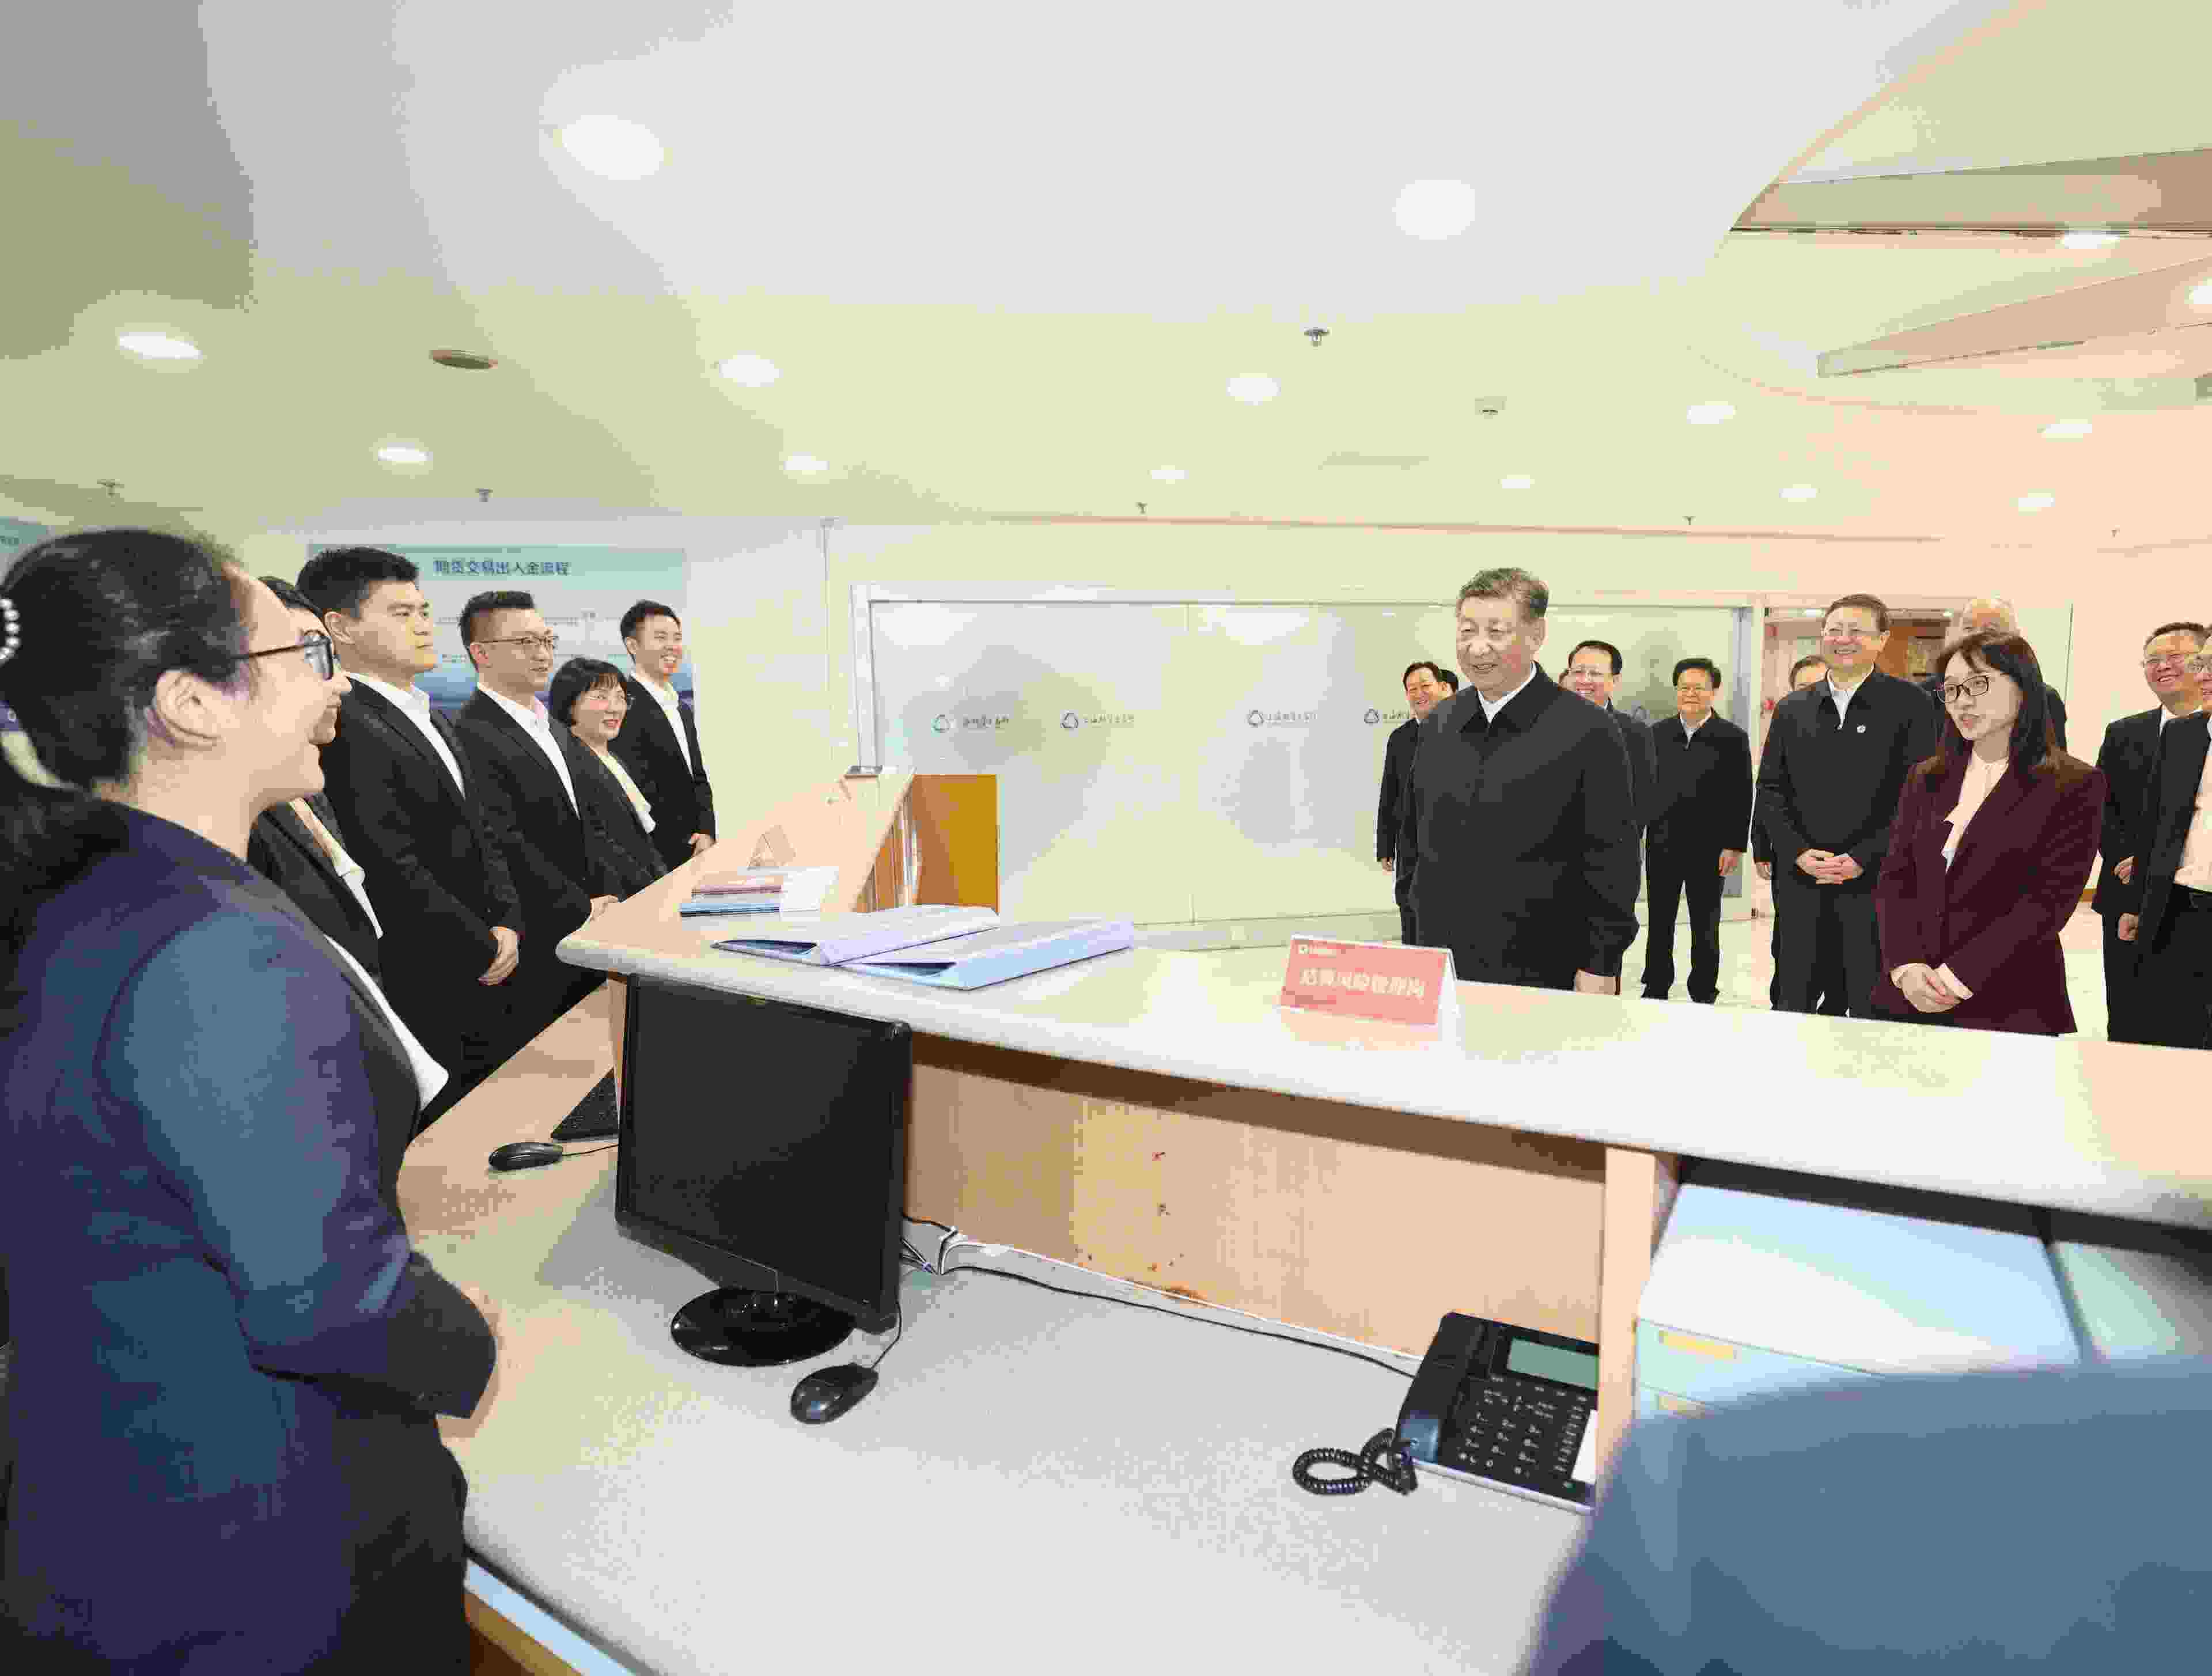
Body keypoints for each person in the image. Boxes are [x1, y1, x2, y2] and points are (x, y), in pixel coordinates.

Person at [0, 529, 495, 1670]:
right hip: (261, 1559)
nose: (333, 681)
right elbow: (327, 1302)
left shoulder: (78, 898)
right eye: (306, 653)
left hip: (110, 1513)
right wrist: (469, 1338)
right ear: (192, 703)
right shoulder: (219, 947)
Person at [298, 546, 524, 1131]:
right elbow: (389, 861)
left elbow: (483, 829)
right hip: (424, 974)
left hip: (485, 957)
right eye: (401, 613)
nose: (424, 624)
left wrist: (507, 920)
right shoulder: (345, 724)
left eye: (423, 611)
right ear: (340, 627)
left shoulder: (429, 713)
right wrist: (479, 942)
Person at [1402, 567, 1639, 992]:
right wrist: (1415, 931)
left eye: (1496, 632)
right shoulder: (1441, 722)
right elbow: (1417, 836)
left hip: (1543, 963)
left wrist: (1601, 962)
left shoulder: (1587, 729)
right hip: (1441, 957)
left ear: (1536, 635)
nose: (1477, 647)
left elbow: (1611, 858)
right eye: (1467, 631)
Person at [1868, 631, 2104, 1035]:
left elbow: (2046, 902)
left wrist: (1956, 977)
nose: (1962, 701)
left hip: (2008, 996)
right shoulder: (1927, 777)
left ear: (2024, 688)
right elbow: (1896, 878)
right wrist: (1906, 966)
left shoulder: (2074, 783)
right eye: (1952, 689)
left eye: (1978, 684)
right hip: (1911, 990)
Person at [1756, 595, 1941, 1018]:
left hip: (1875, 882)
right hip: (1801, 882)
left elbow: (1919, 797)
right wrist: (1798, 852)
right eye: (1834, 630)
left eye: (1856, 631)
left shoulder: (1911, 705)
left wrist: (1864, 856)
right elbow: (1770, 789)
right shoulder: (1793, 708)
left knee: (1869, 1000)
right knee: (1794, 997)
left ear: (1882, 639)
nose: (1843, 639)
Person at [452, 591, 620, 1049]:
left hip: (594, 924)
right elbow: (505, 841)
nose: (543, 653)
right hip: (542, 936)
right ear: (481, 653)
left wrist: (605, 899)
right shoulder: (471, 733)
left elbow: (589, 822)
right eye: (525, 642)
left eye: (546, 640)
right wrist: (580, 907)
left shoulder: (553, 728)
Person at [245, 577, 385, 981]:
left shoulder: (306, 787)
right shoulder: (233, 819)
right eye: (311, 655)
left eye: (331, 658)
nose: (342, 682)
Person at [2093, 622, 2206, 1044]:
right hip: (2123, 891)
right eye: (2153, 660)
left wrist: (2151, 861)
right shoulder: (2124, 732)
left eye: (2176, 657)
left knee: (2186, 1019)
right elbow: (2101, 808)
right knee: (2127, 1011)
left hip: (2188, 896)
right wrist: (2129, 860)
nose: (2163, 666)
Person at [1641, 657, 1752, 1005]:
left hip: (1710, 848)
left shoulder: (1733, 738)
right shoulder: (1656, 734)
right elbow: (1644, 788)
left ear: (1713, 692)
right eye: (1684, 688)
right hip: (1663, 842)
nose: (1690, 694)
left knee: (1706, 922)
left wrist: (1734, 845)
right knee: (1660, 919)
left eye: (1699, 688)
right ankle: (1656, 983)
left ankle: (1704, 988)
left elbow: (1741, 794)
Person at [550, 655, 669, 897]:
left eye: (620, 697)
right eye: (601, 697)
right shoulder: (570, 763)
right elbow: (603, 846)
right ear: (570, 704)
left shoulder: (613, 759)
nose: (615, 708)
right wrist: (653, 889)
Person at [613, 600, 715, 873]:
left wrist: (706, 831)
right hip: (656, 857)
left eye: (677, 638)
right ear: (633, 646)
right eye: (660, 638)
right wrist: (679, 845)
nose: (672, 646)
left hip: (697, 849)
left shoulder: (681, 707)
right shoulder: (623, 706)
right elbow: (636, 789)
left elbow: (698, 776)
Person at [1756, 654, 1832, 1010]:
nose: (1812, 693)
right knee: (1789, 944)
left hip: (1843, 864)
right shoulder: (1786, 724)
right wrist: (1762, 846)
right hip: (1792, 858)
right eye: (1804, 687)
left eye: (1819, 685)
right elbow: (1768, 792)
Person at [1920, 597, 2069, 751]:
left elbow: (2054, 759)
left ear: (2016, 637)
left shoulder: (2045, 697)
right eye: (1969, 628)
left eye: (1990, 630)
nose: (1976, 637)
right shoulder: (1929, 694)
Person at [1377, 661, 1455, 944]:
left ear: (1442, 687)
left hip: (1453, 843)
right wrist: (1385, 844)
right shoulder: (1400, 738)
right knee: (1409, 907)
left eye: (1426, 686)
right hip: (1411, 843)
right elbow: (1389, 792)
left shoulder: (1466, 731)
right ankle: (1413, 960)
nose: (1419, 694)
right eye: (1412, 689)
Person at [1560, 639, 1657, 832]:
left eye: (1595, 674)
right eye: (1578, 672)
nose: (1585, 680)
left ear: (1615, 680)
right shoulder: (1543, 723)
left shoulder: (1635, 732)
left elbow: (1641, 803)